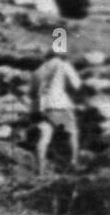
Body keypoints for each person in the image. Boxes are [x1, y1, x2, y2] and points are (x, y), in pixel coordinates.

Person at [31, 46, 82, 176]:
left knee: (44, 136)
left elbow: (32, 93)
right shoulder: (62, 64)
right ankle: (73, 163)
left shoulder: (38, 71)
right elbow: (77, 84)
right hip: (59, 105)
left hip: (42, 107)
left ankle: (40, 169)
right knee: (73, 132)